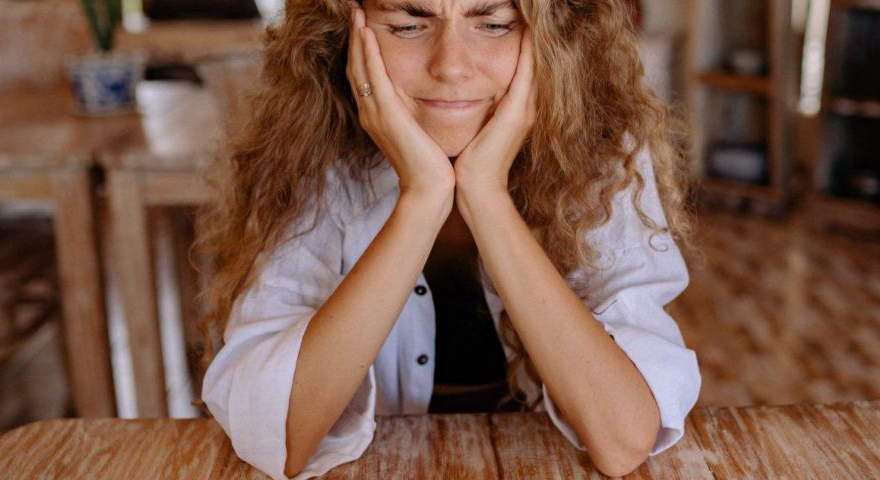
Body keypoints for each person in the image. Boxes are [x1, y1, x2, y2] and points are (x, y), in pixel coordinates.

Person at [198, 1, 701, 478]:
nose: (452, 66)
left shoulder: (602, 153)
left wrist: (486, 196)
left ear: (555, 35)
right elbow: (279, 440)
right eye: (410, 25)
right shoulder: (312, 154)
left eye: (495, 23)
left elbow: (622, 440)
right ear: (348, 31)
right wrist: (423, 197)